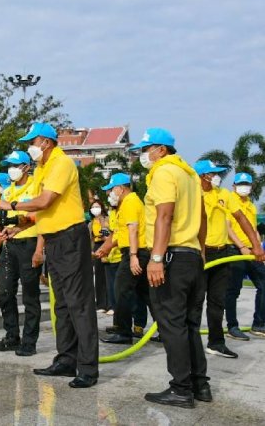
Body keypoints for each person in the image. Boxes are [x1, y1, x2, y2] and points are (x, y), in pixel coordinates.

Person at [11, 122, 98, 389]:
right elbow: (39, 212)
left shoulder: (62, 164)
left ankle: (87, 369)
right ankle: (66, 359)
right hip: (53, 239)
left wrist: (12, 205)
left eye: (32, 142)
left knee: (78, 304)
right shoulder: (42, 168)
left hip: (70, 238)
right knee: (61, 304)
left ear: (46, 142)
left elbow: (45, 201)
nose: (30, 147)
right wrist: (18, 224)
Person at [132, 128, 208, 408]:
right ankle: (200, 384)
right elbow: (202, 218)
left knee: (172, 325)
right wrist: (199, 253)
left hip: (171, 257)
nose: (143, 155)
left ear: (161, 149)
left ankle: (180, 389)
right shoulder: (189, 175)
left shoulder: (164, 172)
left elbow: (165, 215)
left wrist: (155, 258)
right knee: (189, 325)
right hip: (190, 256)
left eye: (146, 149)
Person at [0, 151, 42, 357]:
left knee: (30, 295)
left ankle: (29, 341)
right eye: (8, 166)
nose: (11, 170)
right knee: (5, 293)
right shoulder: (7, 192)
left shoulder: (36, 186)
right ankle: (12, 335)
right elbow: (1, 223)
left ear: (26, 167)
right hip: (9, 246)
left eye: (15, 165)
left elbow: (40, 214)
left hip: (29, 244)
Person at [98, 173, 152, 345]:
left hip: (134, 252)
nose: (109, 195)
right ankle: (167, 329)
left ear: (120, 189)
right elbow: (119, 234)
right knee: (146, 294)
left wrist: (133, 256)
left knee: (121, 290)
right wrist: (104, 249)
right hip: (134, 252)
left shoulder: (129, 203)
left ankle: (124, 332)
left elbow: (132, 231)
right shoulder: (126, 204)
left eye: (110, 190)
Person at [193, 161, 238, 358]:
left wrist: (254, 244)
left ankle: (216, 342)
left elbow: (239, 217)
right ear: (202, 175)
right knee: (195, 302)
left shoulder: (224, 194)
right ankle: (190, 343)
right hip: (200, 254)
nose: (216, 177)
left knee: (217, 302)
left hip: (221, 254)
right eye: (212, 173)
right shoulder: (193, 195)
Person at [225, 172, 265, 340]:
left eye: (247, 184)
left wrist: (258, 248)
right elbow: (227, 227)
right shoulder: (228, 200)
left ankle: (259, 324)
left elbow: (253, 229)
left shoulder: (250, 205)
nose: (244, 187)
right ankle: (232, 326)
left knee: (263, 284)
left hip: (251, 252)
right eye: (240, 184)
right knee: (233, 290)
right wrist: (241, 247)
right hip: (235, 250)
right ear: (234, 186)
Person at [89, 200, 113, 314]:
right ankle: (101, 304)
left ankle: (111, 304)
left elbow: (109, 233)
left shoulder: (107, 219)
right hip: (96, 247)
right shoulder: (90, 223)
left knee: (108, 276)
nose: (95, 209)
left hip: (108, 245)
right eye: (93, 207)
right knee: (98, 277)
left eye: (97, 206)